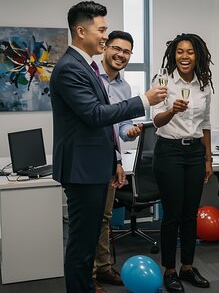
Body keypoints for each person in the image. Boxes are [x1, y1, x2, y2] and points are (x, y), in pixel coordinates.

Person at [50, 1, 167, 293]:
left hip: (94, 167)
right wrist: (143, 101)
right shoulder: (70, 68)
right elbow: (94, 115)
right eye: (101, 30)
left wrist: (114, 159)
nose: (104, 36)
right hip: (81, 170)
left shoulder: (86, 67)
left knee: (88, 239)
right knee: (81, 243)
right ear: (81, 31)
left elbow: (104, 125)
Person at [152, 33, 214, 293]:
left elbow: (206, 124)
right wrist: (171, 110)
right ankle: (169, 270)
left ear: (197, 55)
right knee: (173, 215)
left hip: (195, 154)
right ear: (173, 55)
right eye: (180, 52)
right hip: (169, 152)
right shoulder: (163, 80)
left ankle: (187, 267)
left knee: (191, 214)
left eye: (189, 52)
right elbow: (156, 120)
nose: (185, 56)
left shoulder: (204, 84)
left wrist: (208, 158)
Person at [92, 30, 143, 292]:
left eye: (126, 51)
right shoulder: (91, 79)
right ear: (105, 48)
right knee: (91, 219)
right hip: (89, 161)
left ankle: (102, 268)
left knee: (104, 217)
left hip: (111, 160)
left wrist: (130, 131)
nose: (121, 55)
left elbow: (120, 127)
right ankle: (87, 275)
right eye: (117, 48)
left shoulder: (124, 87)